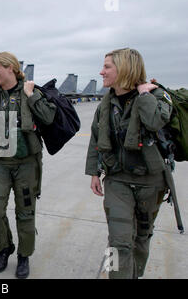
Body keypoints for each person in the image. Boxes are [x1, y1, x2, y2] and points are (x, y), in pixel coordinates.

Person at [85, 48, 173, 278]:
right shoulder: (105, 104)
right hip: (118, 180)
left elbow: (154, 121)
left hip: (151, 182)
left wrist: (144, 96)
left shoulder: (156, 96)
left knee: (141, 239)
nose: (101, 71)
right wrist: (94, 172)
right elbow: (96, 138)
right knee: (119, 242)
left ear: (124, 68)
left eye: (107, 67)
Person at [0, 52, 56, 279]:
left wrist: (31, 96)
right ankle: (5, 247)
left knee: (26, 213)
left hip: (27, 164)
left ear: (10, 68)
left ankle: (24, 255)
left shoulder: (31, 91)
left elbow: (48, 118)